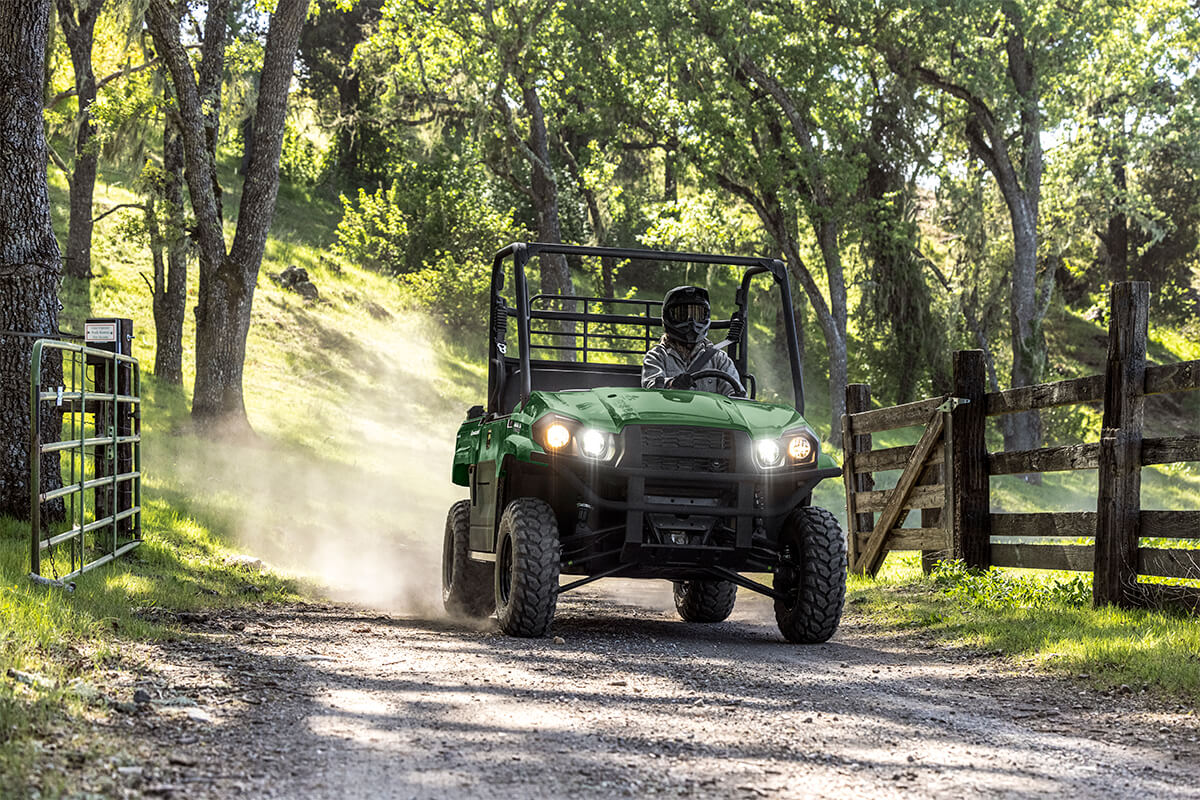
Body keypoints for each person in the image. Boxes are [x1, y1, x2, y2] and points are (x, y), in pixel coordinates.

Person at [641, 285, 744, 397]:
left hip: (708, 414)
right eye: (682, 314)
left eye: (697, 314)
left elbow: (736, 397)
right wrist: (672, 384)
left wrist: (736, 396)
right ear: (668, 317)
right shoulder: (657, 357)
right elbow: (651, 389)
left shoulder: (719, 359)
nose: (691, 322)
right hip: (670, 413)